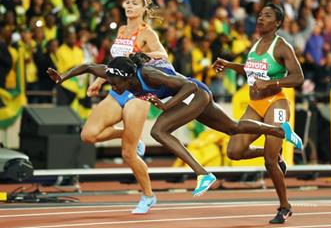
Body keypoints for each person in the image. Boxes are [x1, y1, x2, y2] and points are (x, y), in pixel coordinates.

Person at [47, 52, 303, 199]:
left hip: (195, 93)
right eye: (110, 82)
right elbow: (89, 66)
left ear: (127, 78)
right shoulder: (116, 72)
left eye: (116, 84)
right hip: (193, 96)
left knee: (159, 130)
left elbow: (190, 85)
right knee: (233, 128)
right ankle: (280, 131)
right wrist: (63, 76)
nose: (113, 87)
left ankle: (203, 173)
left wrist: (168, 106)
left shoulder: (148, 75)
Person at [212, 3, 304, 224]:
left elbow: (298, 78)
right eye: (260, 15)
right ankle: (276, 154)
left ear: (278, 23)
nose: (261, 18)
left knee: (269, 162)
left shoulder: (282, 46)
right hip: (255, 106)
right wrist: (228, 64)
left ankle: (284, 206)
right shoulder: (255, 45)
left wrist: (272, 82)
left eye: (267, 16)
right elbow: (250, 69)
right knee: (234, 151)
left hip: (276, 104)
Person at [78, 0, 168, 214]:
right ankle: (126, 133)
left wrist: (142, 56)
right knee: (88, 135)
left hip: (138, 93)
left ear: (143, 9)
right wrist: (99, 80)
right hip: (117, 89)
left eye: (134, 3)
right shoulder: (121, 30)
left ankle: (148, 196)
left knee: (127, 154)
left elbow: (163, 56)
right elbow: (114, 61)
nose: (129, 6)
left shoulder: (147, 33)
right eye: (127, 2)